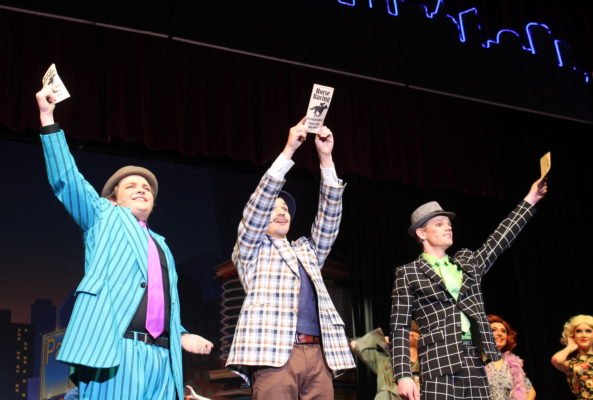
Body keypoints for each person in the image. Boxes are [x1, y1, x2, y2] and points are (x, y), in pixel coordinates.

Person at [35, 85, 213, 400]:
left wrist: (181, 335)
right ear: (113, 199)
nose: (142, 189)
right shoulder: (102, 216)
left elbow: (159, 301)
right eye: (131, 186)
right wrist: (48, 119)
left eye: (147, 188)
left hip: (163, 359)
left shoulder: (161, 245)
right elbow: (67, 179)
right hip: (116, 351)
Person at [225, 117, 355, 399]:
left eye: (284, 208)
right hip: (273, 354)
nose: (281, 211)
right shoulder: (250, 248)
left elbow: (330, 219)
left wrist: (326, 159)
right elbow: (258, 205)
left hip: (319, 353)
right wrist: (289, 151)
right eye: (274, 208)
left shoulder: (306, 251)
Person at [390, 175, 547, 400]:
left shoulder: (467, 264)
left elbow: (499, 239)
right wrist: (403, 375)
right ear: (422, 233)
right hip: (438, 360)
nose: (448, 228)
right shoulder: (408, 273)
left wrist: (531, 198)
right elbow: (399, 326)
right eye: (439, 224)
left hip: (474, 356)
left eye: (449, 224)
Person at [350, 322, 420, 400]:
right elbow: (354, 344)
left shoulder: (424, 367)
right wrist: (380, 339)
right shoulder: (385, 360)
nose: (411, 334)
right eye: (408, 331)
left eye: (415, 332)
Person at [485, 315, 535, 400]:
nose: (500, 334)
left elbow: (531, 391)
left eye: (503, 331)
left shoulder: (512, 364)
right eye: (493, 330)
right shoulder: (474, 360)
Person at [551, 314, 593, 399]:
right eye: (579, 331)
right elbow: (556, 360)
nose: (583, 335)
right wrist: (570, 347)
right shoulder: (572, 363)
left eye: (588, 331)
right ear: (573, 335)